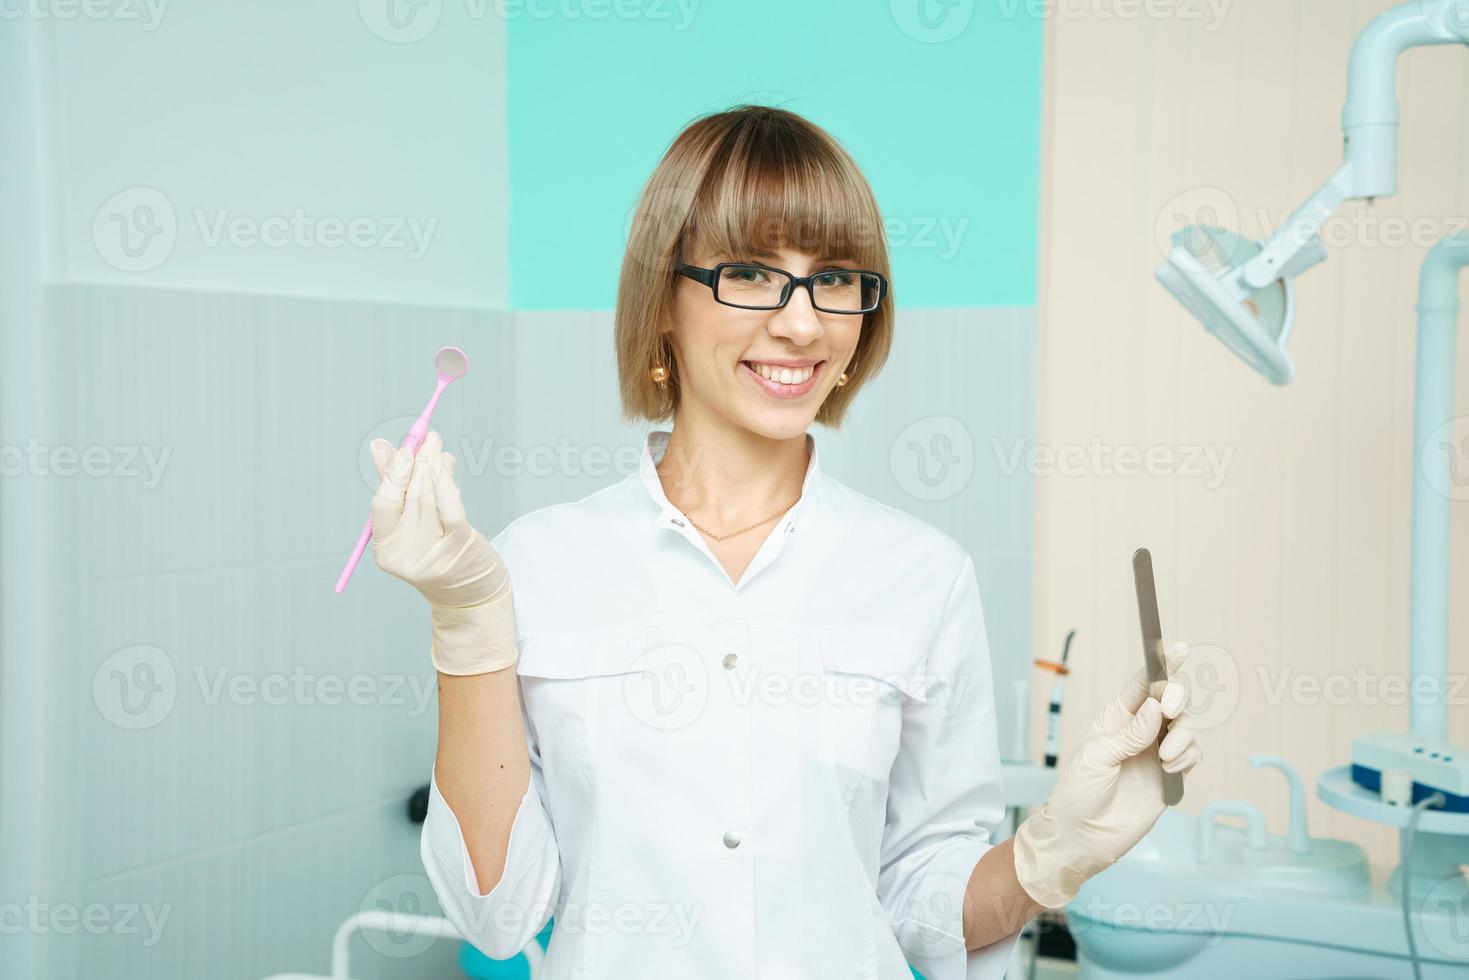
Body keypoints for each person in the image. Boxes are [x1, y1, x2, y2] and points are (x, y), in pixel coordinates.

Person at [367, 104, 1202, 979]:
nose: (803, 323)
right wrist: (465, 622)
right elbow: (498, 917)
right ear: (662, 299)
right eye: (752, 274)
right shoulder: (539, 567)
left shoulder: (921, 577)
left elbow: (923, 906)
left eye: (836, 277)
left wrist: (1054, 855)